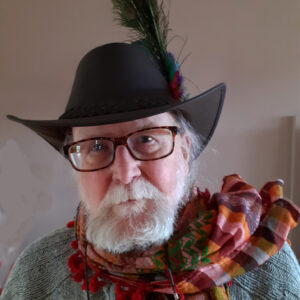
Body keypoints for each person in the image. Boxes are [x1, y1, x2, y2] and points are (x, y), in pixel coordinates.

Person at [1, 1, 299, 299]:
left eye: (146, 139)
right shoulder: (35, 275)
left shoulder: (268, 267)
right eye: (96, 146)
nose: (125, 173)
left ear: (184, 151)